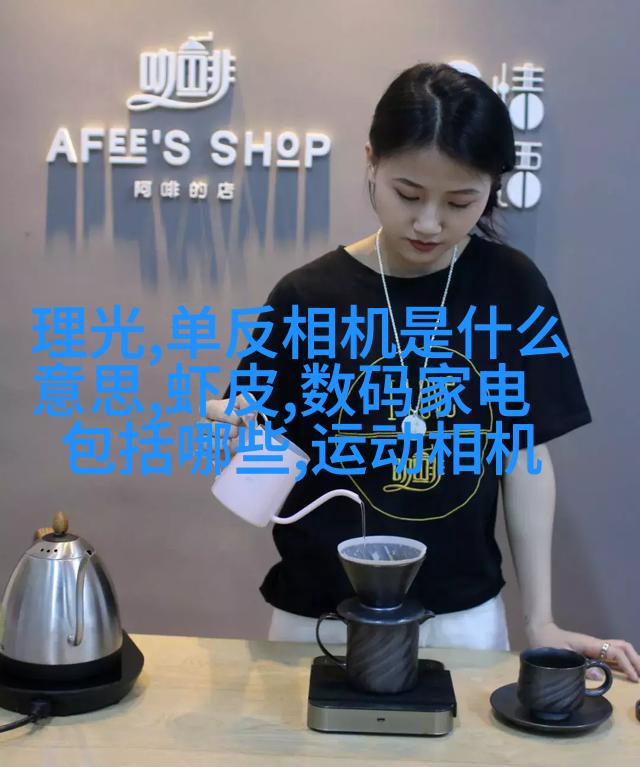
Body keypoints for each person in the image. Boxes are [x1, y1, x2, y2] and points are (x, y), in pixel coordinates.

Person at [206, 63, 640, 680]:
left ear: (493, 187)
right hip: (318, 620)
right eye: (408, 194)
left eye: (460, 201)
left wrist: (540, 621)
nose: (430, 223)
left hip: (460, 618)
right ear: (371, 162)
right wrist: (239, 429)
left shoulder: (511, 289)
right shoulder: (307, 296)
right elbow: (257, 451)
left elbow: (524, 454)